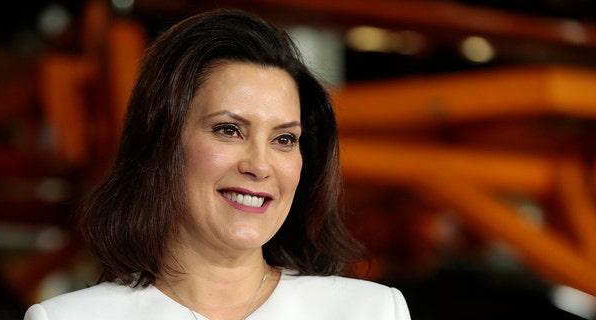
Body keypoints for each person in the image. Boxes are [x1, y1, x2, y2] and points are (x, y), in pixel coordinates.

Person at [24, 8, 411, 320]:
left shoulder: (371, 311)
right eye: (229, 130)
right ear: (162, 142)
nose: (260, 165)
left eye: (284, 139)